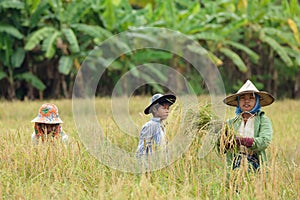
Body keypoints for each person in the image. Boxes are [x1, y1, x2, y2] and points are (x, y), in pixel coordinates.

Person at [222, 80, 274, 172]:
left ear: (257, 101)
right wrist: (224, 141)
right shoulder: (230, 122)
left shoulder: (263, 120)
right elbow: (222, 146)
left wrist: (242, 141)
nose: (246, 101)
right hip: (234, 163)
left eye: (251, 98)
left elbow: (264, 141)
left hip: (255, 163)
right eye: (242, 98)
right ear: (238, 102)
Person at [135, 93, 176, 170]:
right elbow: (141, 151)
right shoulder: (150, 126)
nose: (167, 111)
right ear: (154, 109)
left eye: (168, 108)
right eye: (164, 108)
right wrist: (147, 171)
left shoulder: (162, 126)